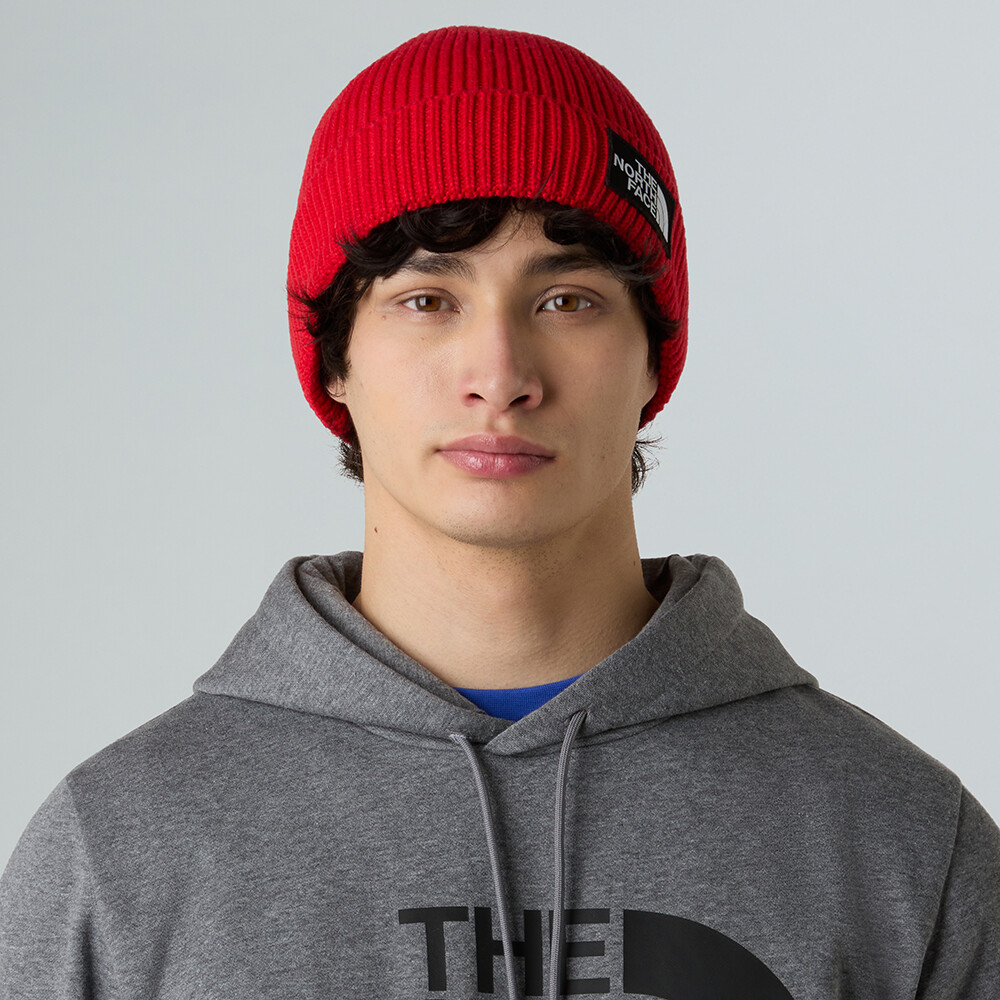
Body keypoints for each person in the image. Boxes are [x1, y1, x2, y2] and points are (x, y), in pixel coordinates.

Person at [1, 23, 997, 1000]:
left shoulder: (902, 843)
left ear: (654, 358)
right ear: (335, 357)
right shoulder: (115, 854)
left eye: (567, 300)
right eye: (426, 299)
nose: (500, 373)